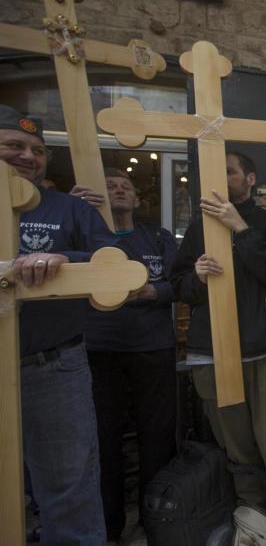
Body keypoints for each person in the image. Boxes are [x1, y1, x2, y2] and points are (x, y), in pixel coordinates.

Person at [170, 151, 266, 545]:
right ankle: (256, 519)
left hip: (265, 349)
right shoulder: (198, 227)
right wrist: (196, 277)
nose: (221, 178)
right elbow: (179, 286)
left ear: (250, 178)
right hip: (212, 352)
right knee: (237, 447)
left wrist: (240, 227)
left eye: (229, 171)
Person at [4, 103, 117, 546]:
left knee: (69, 487)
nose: (29, 157)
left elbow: (113, 262)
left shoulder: (70, 210)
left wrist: (63, 259)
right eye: (14, 145)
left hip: (53, 367)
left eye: (38, 150)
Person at [85, 169, 177, 543]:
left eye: (127, 187)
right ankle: (108, 525)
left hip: (153, 347)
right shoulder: (85, 235)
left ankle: (156, 519)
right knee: (102, 438)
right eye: (111, 186)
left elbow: (180, 281)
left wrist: (150, 294)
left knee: (156, 434)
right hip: (99, 349)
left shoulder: (158, 237)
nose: (120, 190)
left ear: (138, 201)